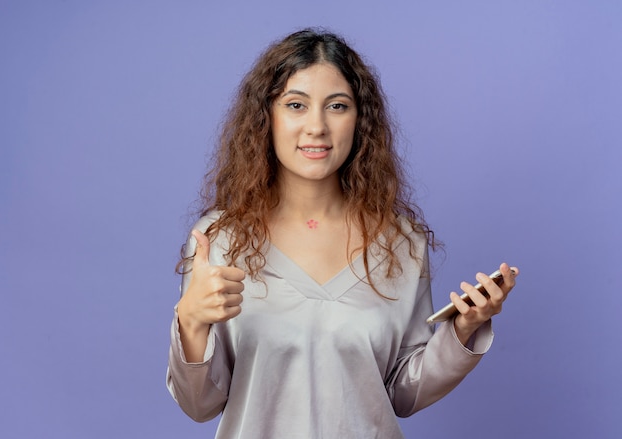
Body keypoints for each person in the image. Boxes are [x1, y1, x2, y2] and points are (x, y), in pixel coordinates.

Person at [166, 28, 519, 439]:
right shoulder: (219, 240)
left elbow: (403, 394)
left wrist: (461, 331)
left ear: (359, 120)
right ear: (267, 117)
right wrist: (190, 322)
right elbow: (200, 405)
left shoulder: (400, 243)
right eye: (296, 105)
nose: (317, 126)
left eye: (337, 106)